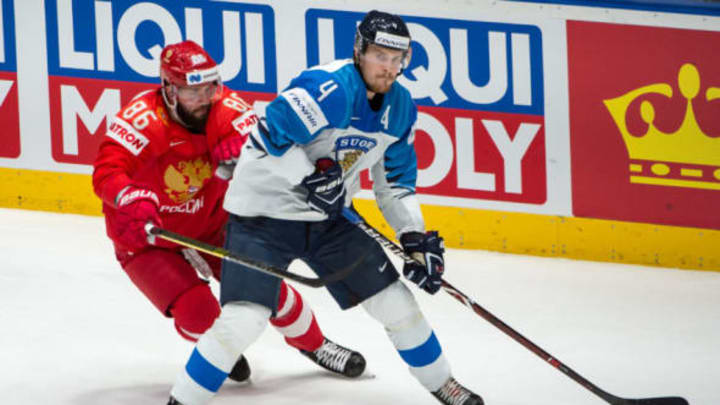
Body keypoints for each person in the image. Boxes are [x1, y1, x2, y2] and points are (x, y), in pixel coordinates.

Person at [168, 10, 483, 405]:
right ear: (359, 51)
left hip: (328, 219)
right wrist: (308, 175)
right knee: (243, 321)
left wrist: (414, 236)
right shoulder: (327, 88)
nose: (387, 67)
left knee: (397, 304)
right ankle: (181, 400)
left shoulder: (400, 109)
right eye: (379, 55)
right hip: (262, 216)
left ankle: (443, 383)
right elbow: (266, 139)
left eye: (396, 58)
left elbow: (397, 184)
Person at [92, 40, 366, 386]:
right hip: (147, 235)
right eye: (193, 92)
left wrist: (250, 152)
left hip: (211, 225)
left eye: (210, 87)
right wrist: (129, 197)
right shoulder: (142, 120)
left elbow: (262, 146)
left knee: (272, 294)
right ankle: (219, 348)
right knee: (197, 316)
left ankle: (315, 344)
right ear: (169, 90)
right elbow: (106, 171)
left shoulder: (226, 107)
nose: (205, 99)